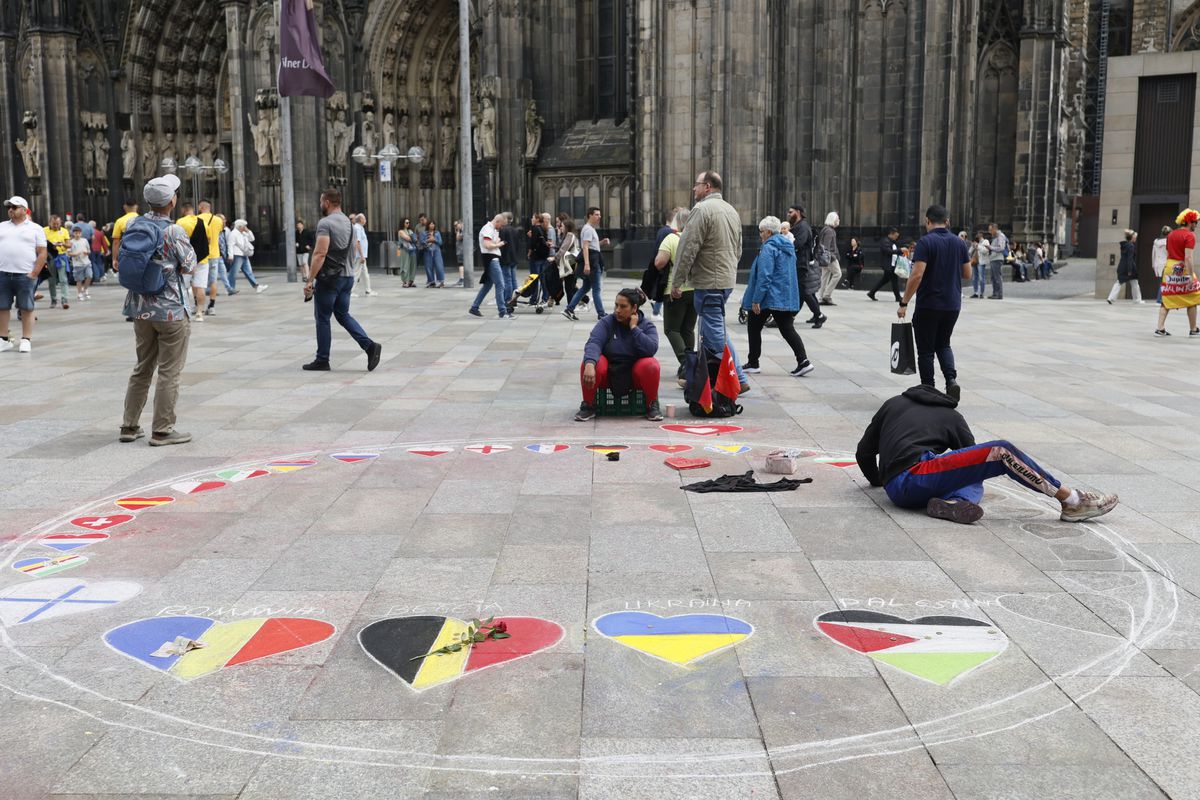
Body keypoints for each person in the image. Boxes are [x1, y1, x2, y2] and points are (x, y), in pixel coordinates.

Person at [856, 385, 1119, 524]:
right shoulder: (951, 416)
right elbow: (973, 456)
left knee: (973, 465)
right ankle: (1073, 501)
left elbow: (863, 452)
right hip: (916, 475)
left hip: (895, 488)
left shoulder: (893, 403)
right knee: (999, 451)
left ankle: (955, 504)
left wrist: (879, 482)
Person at [120, 174, 196, 446]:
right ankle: (162, 430)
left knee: (142, 367)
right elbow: (189, 265)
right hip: (171, 311)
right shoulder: (173, 231)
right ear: (172, 201)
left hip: (140, 309)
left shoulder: (132, 224)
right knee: (168, 371)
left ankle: (129, 426)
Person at [670, 170, 748, 390]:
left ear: (707, 186)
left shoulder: (702, 209)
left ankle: (739, 380)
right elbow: (738, 248)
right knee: (708, 329)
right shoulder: (731, 210)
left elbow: (687, 247)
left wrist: (677, 282)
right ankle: (700, 377)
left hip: (709, 281)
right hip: (724, 280)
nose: (693, 189)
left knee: (714, 333)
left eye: (696, 185)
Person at [897, 204, 971, 400]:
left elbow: (917, 275)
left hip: (929, 304)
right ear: (947, 221)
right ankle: (951, 381)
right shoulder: (959, 243)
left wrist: (904, 303)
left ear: (927, 221)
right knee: (944, 344)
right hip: (952, 304)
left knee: (926, 350)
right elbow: (967, 273)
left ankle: (928, 389)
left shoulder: (925, 242)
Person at [303, 188, 382, 371]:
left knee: (322, 318)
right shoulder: (350, 222)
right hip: (347, 277)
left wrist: (309, 280)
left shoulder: (325, 223)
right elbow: (354, 250)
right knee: (343, 315)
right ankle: (369, 346)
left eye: (321, 201)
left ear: (327, 202)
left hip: (330, 280)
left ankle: (322, 359)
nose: (320, 204)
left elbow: (320, 253)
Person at [574, 287, 663, 422]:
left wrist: (634, 329)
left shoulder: (646, 326)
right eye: (616, 305)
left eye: (623, 306)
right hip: (609, 372)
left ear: (634, 308)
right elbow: (594, 342)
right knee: (591, 362)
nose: (617, 310)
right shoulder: (607, 322)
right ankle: (588, 405)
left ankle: (651, 405)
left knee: (651, 364)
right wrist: (590, 364)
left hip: (634, 374)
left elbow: (651, 349)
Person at [741, 216, 814, 378]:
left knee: (753, 326)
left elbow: (765, 276)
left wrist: (756, 299)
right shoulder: (787, 246)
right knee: (787, 328)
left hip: (769, 297)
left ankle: (753, 362)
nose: (760, 235)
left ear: (768, 232)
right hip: (783, 296)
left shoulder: (769, 248)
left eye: (761, 232)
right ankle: (803, 361)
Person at [0, 196, 47, 354]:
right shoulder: (2, 226)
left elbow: (42, 252)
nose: (11, 210)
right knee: (2, 307)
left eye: (14, 207)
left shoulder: (36, 228)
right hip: (3, 273)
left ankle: (26, 339)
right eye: (9, 207)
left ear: (25, 210)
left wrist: (34, 273)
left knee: (26, 307)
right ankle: (3, 339)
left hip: (25, 275)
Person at [657, 209, 696, 386]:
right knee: (687, 329)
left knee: (671, 329)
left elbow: (660, 262)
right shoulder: (697, 240)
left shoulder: (671, 239)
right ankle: (691, 365)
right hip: (695, 290)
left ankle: (686, 362)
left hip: (675, 290)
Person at [1156, 208, 1200, 337]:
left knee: (1167, 296)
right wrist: (1191, 275)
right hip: (1183, 267)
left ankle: (1160, 328)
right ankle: (1193, 329)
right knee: (1192, 296)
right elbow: (1188, 257)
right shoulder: (1190, 236)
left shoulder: (1171, 235)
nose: (1196, 225)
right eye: (1195, 222)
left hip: (1170, 267)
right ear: (1189, 222)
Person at [563, 207, 611, 321]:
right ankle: (601, 313)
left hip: (593, 259)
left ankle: (569, 309)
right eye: (597, 215)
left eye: (599, 215)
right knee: (596, 289)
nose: (599, 217)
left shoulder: (589, 229)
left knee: (585, 288)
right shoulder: (588, 229)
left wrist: (601, 243)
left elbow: (591, 245)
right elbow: (585, 247)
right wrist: (587, 264)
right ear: (590, 215)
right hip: (593, 262)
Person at [787, 205, 824, 327]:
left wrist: (785, 242)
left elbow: (798, 243)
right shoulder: (798, 226)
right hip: (798, 263)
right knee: (803, 292)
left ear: (798, 212)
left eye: (791, 212)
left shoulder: (802, 226)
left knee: (804, 291)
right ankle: (792, 317)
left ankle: (819, 315)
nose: (788, 214)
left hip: (801, 264)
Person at [469, 213, 509, 318]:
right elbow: (487, 245)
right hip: (491, 259)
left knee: (487, 285)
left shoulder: (492, 229)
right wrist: (498, 244)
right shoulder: (487, 229)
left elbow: (489, 243)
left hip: (491, 259)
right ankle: (502, 311)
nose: (502, 227)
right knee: (500, 284)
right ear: (497, 221)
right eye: (502, 225)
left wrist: (496, 242)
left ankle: (474, 307)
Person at [546, 217, 579, 309]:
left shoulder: (569, 235)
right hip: (570, 262)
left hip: (569, 262)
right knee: (570, 285)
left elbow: (564, 249)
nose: (561, 227)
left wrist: (554, 258)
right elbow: (563, 248)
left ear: (567, 227)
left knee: (569, 286)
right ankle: (571, 307)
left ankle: (570, 308)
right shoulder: (570, 235)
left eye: (563, 226)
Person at [228, 219, 267, 293]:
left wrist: (248, 231)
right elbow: (230, 245)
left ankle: (256, 286)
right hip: (237, 255)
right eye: (244, 226)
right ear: (239, 226)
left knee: (248, 271)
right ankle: (230, 288)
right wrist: (230, 256)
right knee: (234, 272)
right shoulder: (233, 234)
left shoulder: (243, 233)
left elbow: (252, 238)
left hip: (244, 254)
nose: (245, 227)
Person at [42, 214, 71, 310]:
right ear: (49, 223)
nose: (56, 226)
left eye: (58, 224)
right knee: (51, 280)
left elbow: (69, 244)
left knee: (63, 279)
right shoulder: (43, 230)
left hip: (61, 256)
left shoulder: (64, 231)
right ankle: (53, 299)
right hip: (50, 257)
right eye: (54, 224)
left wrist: (63, 244)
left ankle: (64, 299)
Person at [1107, 230, 1143, 304]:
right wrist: (1130, 270)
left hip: (1122, 266)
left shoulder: (1124, 245)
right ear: (1132, 238)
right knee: (1135, 283)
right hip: (1129, 267)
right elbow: (1130, 259)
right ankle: (1137, 299)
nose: (1136, 238)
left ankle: (1111, 298)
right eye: (1135, 237)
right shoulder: (1131, 246)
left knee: (1119, 282)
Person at [868, 227, 902, 303]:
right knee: (894, 280)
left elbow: (895, 251)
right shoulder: (885, 241)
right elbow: (888, 251)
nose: (896, 238)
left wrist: (901, 251)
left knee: (884, 280)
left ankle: (872, 292)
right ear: (891, 234)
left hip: (892, 264)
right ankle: (898, 297)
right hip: (888, 265)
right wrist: (899, 250)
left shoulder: (892, 242)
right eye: (895, 236)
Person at [817, 211, 842, 305]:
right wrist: (833, 257)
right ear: (833, 219)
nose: (838, 220)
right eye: (837, 218)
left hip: (825, 257)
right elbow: (826, 247)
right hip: (830, 257)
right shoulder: (830, 231)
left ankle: (821, 297)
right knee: (837, 274)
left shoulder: (825, 229)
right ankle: (826, 296)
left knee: (825, 276)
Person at [527, 211, 551, 308]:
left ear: (537, 219)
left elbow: (533, 244)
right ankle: (545, 297)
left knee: (534, 278)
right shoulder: (543, 228)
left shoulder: (535, 228)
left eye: (533, 217)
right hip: (543, 257)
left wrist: (529, 253)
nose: (531, 219)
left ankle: (533, 298)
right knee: (542, 278)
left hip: (536, 257)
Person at [498, 211, 521, 299]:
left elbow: (502, 245)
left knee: (507, 280)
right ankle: (514, 297)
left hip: (506, 258)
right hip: (513, 257)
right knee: (513, 279)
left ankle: (508, 299)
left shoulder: (503, 230)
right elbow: (517, 245)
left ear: (505, 219)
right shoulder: (515, 230)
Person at [351, 213, 374, 296]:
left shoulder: (360, 228)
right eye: (364, 219)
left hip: (362, 255)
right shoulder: (357, 228)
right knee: (356, 273)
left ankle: (368, 290)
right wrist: (361, 255)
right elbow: (357, 242)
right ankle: (350, 291)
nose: (365, 220)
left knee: (365, 273)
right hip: (359, 256)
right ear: (360, 220)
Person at [68, 226, 92, 302]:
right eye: (76, 233)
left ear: (81, 233)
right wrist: (74, 254)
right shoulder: (71, 242)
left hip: (86, 262)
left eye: (79, 233)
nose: (77, 234)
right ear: (73, 234)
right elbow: (68, 253)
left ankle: (85, 289)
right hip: (77, 264)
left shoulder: (85, 240)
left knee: (89, 276)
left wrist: (87, 253)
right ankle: (79, 293)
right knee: (79, 280)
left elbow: (89, 251)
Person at [986, 222, 1007, 299]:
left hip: (997, 259)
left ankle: (999, 294)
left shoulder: (1000, 236)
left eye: (991, 230)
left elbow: (1001, 248)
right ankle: (995, 293)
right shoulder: (995, 236)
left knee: (997, 277)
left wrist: (990, 247)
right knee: (993, 277)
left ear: (995, 229)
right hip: (993, 259)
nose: (989, 232)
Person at [424, 220, 445, 288]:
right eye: (430, 224)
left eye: (433, 224)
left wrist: (434, 240)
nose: (432, 225)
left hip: (436, 251)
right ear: (428, 225)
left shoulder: (437, 233)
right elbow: (422, 241)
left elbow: (440, 242)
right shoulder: (424, 233)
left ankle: (441, 282)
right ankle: (431, 282)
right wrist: (428, 241)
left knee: (439, 266)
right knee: (428, 267)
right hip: (428, 251)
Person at [1152, 225, 1170, 305]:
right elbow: (1169, 253)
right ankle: (1159, 299)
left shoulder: (1156, 241)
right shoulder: (1168, 241)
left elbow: (1153, 253)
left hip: (1157, 263)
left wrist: (1153, 263)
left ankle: (1162, 299)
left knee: (1161, 282)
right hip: (1165, 263)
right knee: (1164, 282)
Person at [397, 218, 418, 288]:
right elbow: (408, 238)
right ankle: (405, 281)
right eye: (406, 222)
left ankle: (411, 281)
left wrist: (412, 238)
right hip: (404, 250)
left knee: (412, 264)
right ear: (403, 223)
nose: (408, 224)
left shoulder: (410, 230)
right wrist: (412, 237)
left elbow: (416, 239)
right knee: (405, 264)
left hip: (412, 249)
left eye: (409, 222)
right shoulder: (401, 231)